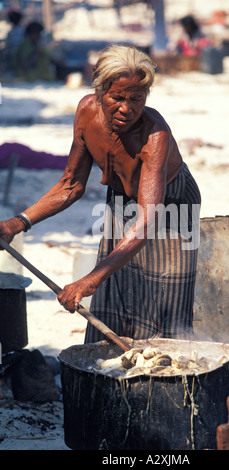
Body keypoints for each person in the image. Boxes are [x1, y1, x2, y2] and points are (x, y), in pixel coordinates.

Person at [0, 45, 201, 342]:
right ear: (99, 91)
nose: (126, 108)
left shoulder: (155, 134)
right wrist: (17, 224)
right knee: (114, 286)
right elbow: (71, 185)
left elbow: (147, 221)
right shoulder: (85, 112)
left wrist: (89, 281)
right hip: (122, 193)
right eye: (117, 97)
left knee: (165, 297)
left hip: (171, 203)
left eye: (136, 99)